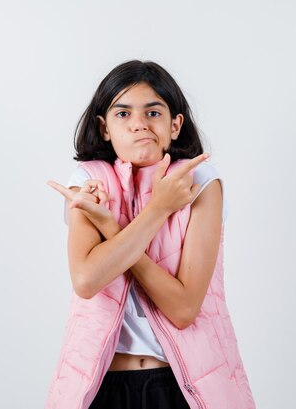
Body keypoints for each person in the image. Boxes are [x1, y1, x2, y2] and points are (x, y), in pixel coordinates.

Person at [45, 60, 255, 409]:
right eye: (123, 114)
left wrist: (112, 229)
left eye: (153, 112)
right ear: (104, 127)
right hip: (101, 388)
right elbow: (86, 279)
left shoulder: (201, 183)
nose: (139, 124)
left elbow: (184, 308)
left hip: (180, 387)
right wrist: (159, 210)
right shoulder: (87, 182)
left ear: (175, 125)